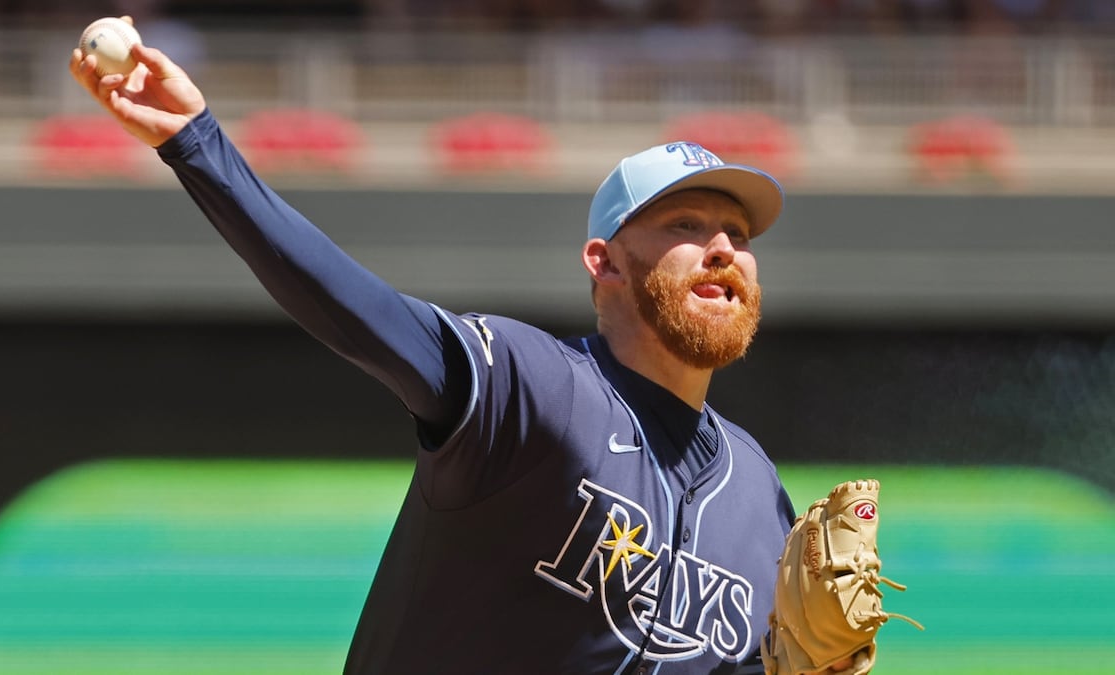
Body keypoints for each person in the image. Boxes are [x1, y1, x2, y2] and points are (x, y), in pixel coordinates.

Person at [70, 21, 799, 675]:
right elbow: (355, 306)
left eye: (738, 234)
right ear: (604, 262)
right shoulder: (536, 388)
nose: (722, 249)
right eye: (685, 225)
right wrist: (199, 146)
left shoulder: (758, 495)